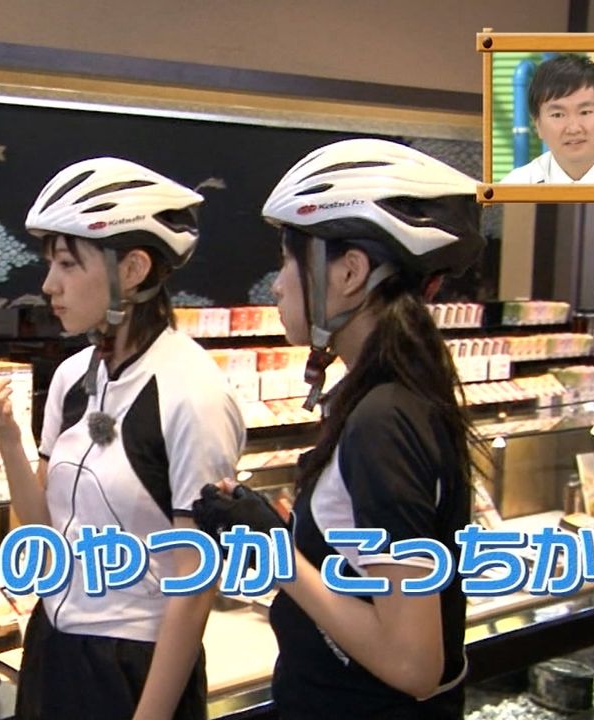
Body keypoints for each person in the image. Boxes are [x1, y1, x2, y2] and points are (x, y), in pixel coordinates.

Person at [193, 138, 484, 719]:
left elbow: (413, 664)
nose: (278, 284)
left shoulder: (384, 420)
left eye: (289, 261)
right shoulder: (394, 397)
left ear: (350, 272)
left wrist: (277, 554)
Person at [0, 157, 245, 720]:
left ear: (133, 268)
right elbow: (42, 524)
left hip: (137, 667)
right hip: (53, 644)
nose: (49, 285)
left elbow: (193, 587)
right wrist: (8, 439)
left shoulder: (193, 393)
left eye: (68, 264)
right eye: (50, 263)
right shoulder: (72, 376)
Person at [501, 53, 594, 184]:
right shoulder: (513, 188)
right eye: (558, 115)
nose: (574, 128)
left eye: (585, 112)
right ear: (537, 125)